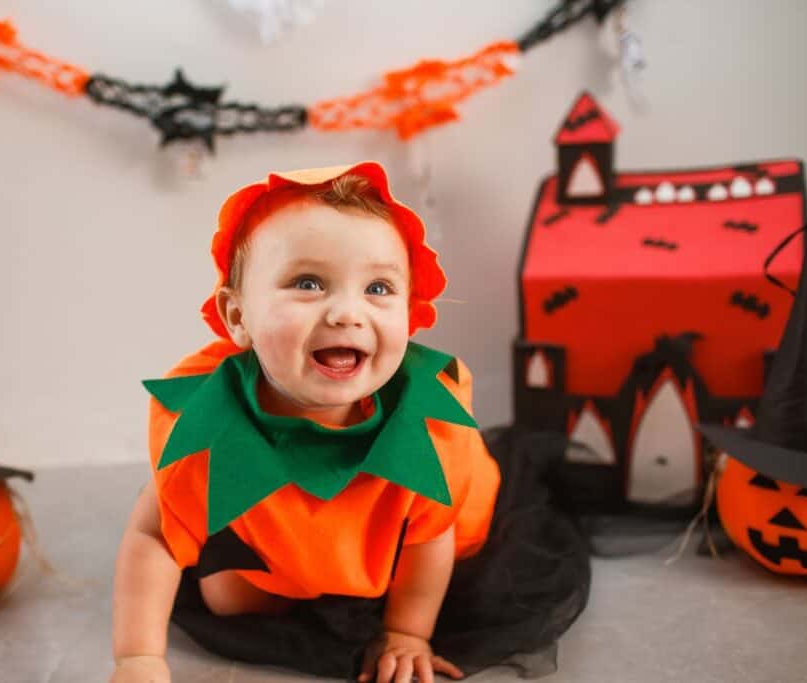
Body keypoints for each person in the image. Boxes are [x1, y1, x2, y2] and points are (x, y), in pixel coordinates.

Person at [111, 162, 589, 683]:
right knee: (225, 600)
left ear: (410, 312)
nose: (346, 313)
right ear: (237, 318)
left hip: (400, 543)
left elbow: (430, 536)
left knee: (445, 578)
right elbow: (153, 537)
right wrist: (138, 659)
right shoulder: (208, 422)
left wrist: (408, 632)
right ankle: (297, 568)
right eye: (308, 283)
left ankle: (365, 588)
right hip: (283, 524)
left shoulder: (426, 425)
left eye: (379, 288)